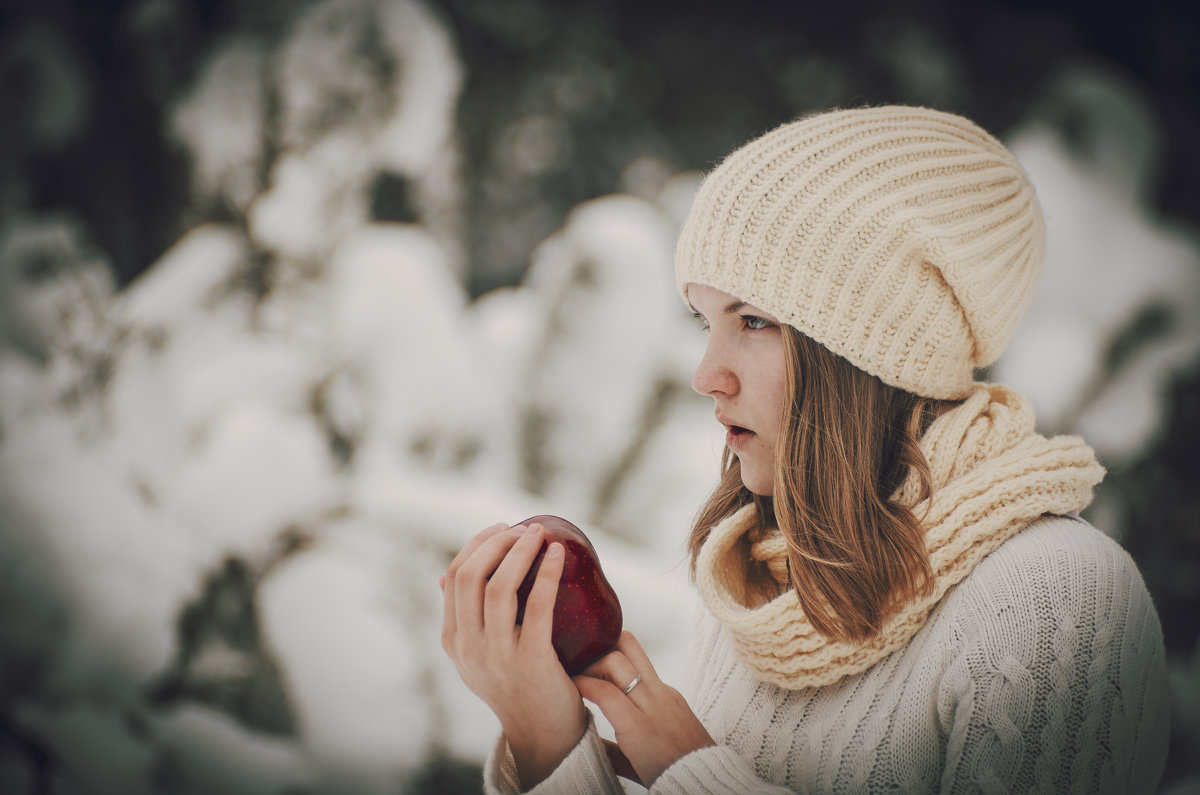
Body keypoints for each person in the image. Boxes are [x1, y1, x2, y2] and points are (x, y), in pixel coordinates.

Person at [439, 105, 1171, 793]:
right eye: (704, 321)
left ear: (872, 351)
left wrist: (694, 774)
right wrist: (549, 744)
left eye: (753, 320)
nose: (705, 375)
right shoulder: (765, 581)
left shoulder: (1058, 601)